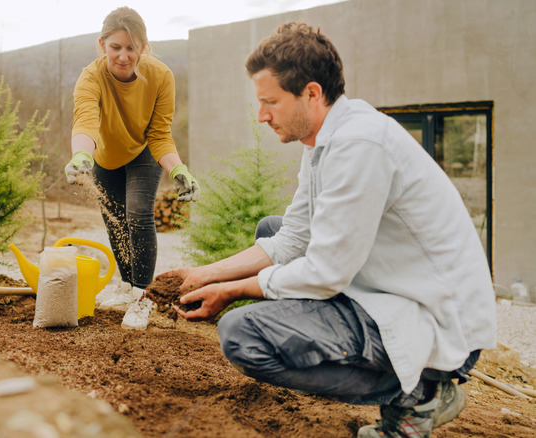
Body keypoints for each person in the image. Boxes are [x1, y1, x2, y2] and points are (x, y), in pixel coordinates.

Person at [166, 23, 496, 437]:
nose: (261, 115)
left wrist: (232, 290)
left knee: (242, 335)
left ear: (311, 93)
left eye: (270, 101)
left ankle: (419, 394)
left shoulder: (360, 144)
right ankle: (409, 381)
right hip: (393, 285)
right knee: (274, 227)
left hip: (438, 318)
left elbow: (326, 271)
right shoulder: (322, 141)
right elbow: (293, 237)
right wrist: (207, 274)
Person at [65, 6, 199, 330]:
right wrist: (81, 156)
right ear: (102, 45)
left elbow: (160, 135)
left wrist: (178, 168)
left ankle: (143, 298)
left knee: (137, 214)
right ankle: (127, 287)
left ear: (143, 46)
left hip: (143, 152)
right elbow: (86, 121)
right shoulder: (91, 77)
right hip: (104, 156)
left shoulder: (161, 76)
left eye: (131, 48)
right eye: (115, 47)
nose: (123, 56)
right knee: (113, 220)